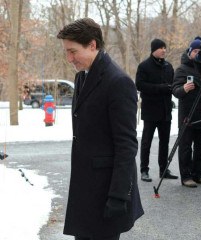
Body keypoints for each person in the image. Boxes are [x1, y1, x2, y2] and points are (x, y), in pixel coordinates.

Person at [57, 18, 143, 240]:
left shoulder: (118, 82)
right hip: (86, 187)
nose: (69, 58)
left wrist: (118, 195)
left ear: (92, 45)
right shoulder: (82, 76)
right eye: (66, 52)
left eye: (73, 51)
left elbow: (126, 144)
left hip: (106, 192)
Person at [172, 38, 201, 187]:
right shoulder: (182, 69)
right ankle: (186, 176)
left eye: (200, 51)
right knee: (185, 147)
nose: (197, 54)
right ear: (190, 52)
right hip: (187, 114)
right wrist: (184, 89)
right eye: (195, 51)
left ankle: (198, 174)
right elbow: (175, 90)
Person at [136, 38, 178, 182]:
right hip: (150, 110)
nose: (164, 50)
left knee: (164, 141)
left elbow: (172, 84)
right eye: (161, 48)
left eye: (165, 48)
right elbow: (140, 85)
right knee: (146, 141)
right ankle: (144, 170)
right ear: (154, 50)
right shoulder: (144, 66)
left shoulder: (168, 66)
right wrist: (160, 88)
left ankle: (163, 169)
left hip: (166, 110)